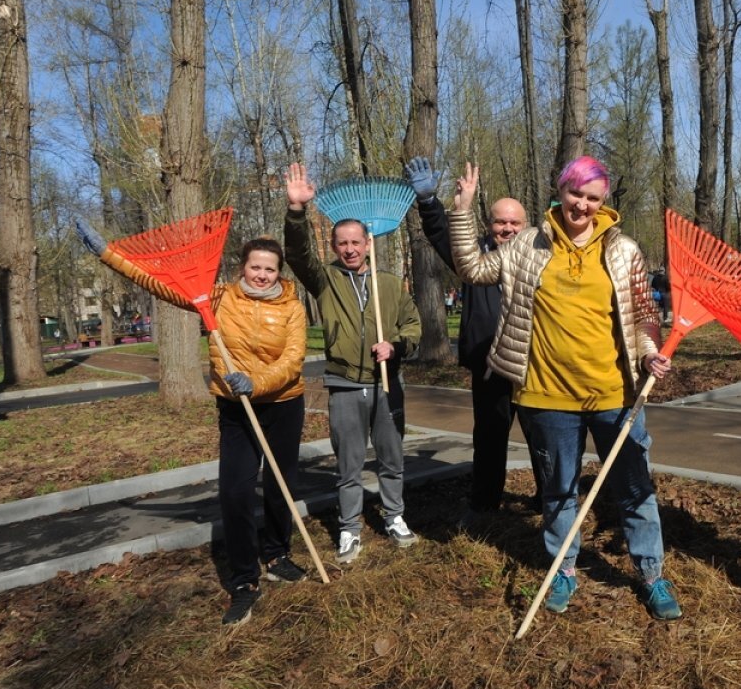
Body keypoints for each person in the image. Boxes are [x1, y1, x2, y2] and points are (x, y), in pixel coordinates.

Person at [447, 155, 683, 621]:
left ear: (603, 202)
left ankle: (652, 573)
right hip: (545, 396)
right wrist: (462, 210)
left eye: (593, 198)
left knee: (635, 487)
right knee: (558, 490)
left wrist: (648, 352)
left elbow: (642, 315)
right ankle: (564, 568)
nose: (583, 205)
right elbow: (472, 269)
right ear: (562, 191)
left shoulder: (623, 250)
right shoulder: (526, 246)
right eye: (576, 193)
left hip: (615, 396)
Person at [75, 222, 309, 626]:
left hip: (283, 404)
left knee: (279, 486)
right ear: (242, 268)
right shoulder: (216, 298)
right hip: (236, 409)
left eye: (270, 269)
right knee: (234, 492)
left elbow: (293, 360)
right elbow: (160, 283)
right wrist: (108, 254)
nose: (262, 275)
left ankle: (276, 553)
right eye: (255, 267)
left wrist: (257, 382)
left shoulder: (292, 306)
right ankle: (243, 581)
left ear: (279, 273)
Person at [283, 162, 422, 564]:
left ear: (367, 243)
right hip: (344, 384)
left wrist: (395, 346)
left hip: (386, 385)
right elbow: (297, 254)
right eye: (341, 243)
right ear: (334, 246)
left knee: (392, 457)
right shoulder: (324, 280)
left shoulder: (391, 284)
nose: (349, 249)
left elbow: (414, 326)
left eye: (355, 242)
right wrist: (296, 212)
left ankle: (395, 517)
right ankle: (349, 528)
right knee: (348, 463)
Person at [406, 156, 544, 529]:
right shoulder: (474, 257)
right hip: (489, 363)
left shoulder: (541, 258)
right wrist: (430, 203)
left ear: (526, 226)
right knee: (489, 438)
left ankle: (549, 502)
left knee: (543, 436)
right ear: (489, 224)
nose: (508, 229)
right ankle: (484, 505)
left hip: (533, 365)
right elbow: (441, 236)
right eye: (501, 221)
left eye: (515, 222)